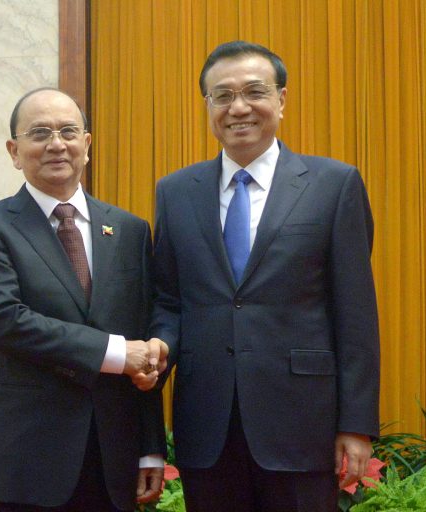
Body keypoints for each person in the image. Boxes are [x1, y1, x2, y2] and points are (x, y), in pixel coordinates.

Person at [151, 41, 380, 511]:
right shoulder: (175, 192)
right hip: (207, 424)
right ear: (208, 106)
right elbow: (168, 301)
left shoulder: (334, 185)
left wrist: (356, 425)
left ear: (281, 99)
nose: (238, 108)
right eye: (222, 96)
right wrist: (158, 349)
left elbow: (355, 311)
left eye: (254, 92)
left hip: (302, 424)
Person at [0, 87, 168, 512]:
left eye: (68, 131)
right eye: (40, 133)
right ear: (14, 151)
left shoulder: (129, 230)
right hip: (24, 462)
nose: (56, 143)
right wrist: (115, 353)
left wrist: (149, 447)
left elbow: (142, 334)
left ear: (86, 144)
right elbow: (5, 321)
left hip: (112, 458)